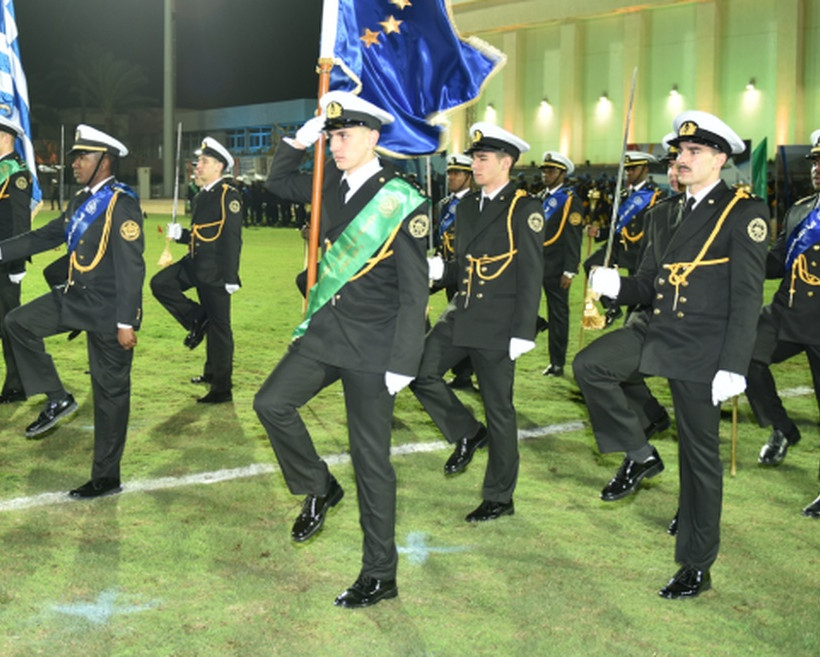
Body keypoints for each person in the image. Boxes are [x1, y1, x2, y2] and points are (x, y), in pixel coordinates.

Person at [583, 110, 769, 599]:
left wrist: (734, 363)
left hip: (703, 346)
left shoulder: (743, 212)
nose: (680, 161)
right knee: (592, 365)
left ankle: (696, 562)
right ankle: (640, 454)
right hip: (655, 329)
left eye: (693, 153)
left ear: (720, 159)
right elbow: (648, 284)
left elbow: (748, 296)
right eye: (678, 153)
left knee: (699, 457)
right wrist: (616, 284)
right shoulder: (664, 211)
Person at [255, 91, 429, 609]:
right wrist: (296, 142)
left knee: (371, 462)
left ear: (373, 138)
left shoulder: (400, 196)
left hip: (375, 351)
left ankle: (380, 573)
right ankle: (318, 484)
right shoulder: (327, 180)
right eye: (330, 136)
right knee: (271, 403)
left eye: (343, 135)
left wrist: (404, 361)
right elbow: (276, 183)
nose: (334, 145)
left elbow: (414, 289)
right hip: (327, 335)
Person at [0, 124, 144, 498]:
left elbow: (132, 267)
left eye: (83, 157)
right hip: (78, 298)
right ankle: (56, 396)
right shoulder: (81, 201)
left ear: (105, 161)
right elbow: (45, 236)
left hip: (111, 312)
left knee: (110, 395)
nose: (75, 164)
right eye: (76, 157)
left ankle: (106, 477)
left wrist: (127, 322)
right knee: (17, 322)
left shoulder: (121, 202)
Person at [411, 122, 545, 523]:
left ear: (506, 162)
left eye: (483, 158)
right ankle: (468, 432)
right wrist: (442, 270)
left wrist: (523, 331)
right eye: (474, 158)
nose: (475, 164)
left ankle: (500, 496)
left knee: (499, 409)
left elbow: (531, 272)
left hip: (500, 324)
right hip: (463, 313)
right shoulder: (468, 206)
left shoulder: (525, 208)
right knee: (420, 371)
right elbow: (466, 266)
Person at [745, 129, 820, 469]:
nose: (817, 168)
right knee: (743, 356)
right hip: (785, 314)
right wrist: (742, 257)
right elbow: (776, 262)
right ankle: (781, 429)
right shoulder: (800, 211)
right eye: (816, 161)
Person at [150, 137, 242, 404]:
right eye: (198, 161)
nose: (197, 166)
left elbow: (231, 238)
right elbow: (202, 235)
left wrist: (231, 276)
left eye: (203, 162)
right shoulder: (203, 195)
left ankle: (221, 387)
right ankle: (197, 319)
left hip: (215, 273)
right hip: (195, 264)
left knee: (221, 329)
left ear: (218, 166)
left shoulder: (228, 195)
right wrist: (181, 235)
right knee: (161, 284)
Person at [584, 151, 663, 325]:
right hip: (620, 246)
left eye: (633, 168)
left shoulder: (655, 196)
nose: (629, 172)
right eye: (627, 169)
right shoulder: (623, 195)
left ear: (645, 169)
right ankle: (612, 306)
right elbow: (616, 224)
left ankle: (631, 325)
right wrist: (598, 233)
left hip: (642, 250)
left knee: (637, 294)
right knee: (591, 265)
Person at [537, 151, 584, 377]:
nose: (546, 174)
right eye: (545, 170)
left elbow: (573, 237)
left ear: (562, 173)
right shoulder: (540, 198)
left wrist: (569, 270)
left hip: (557, 268)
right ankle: (536, 324)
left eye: (552, 170)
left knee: (558, 316)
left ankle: (557, 363)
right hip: (534, 265)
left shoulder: (571, 200)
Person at [434, 153, 476, 389]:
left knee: (468, 323)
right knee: (456, 323)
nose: (451, 177)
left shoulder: (477, 203)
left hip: (470, 272)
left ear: (469, 176)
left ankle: (468, 371)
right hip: (448, 272)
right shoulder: (444, 204)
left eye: (457, 173)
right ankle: (462, 374)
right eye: (449, 172)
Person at [0, 116, 32, 404]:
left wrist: (18, 265)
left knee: (8, 324)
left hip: (5, 265)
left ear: (5, 138)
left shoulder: (16, 173)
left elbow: (21, 223)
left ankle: (16, 385)